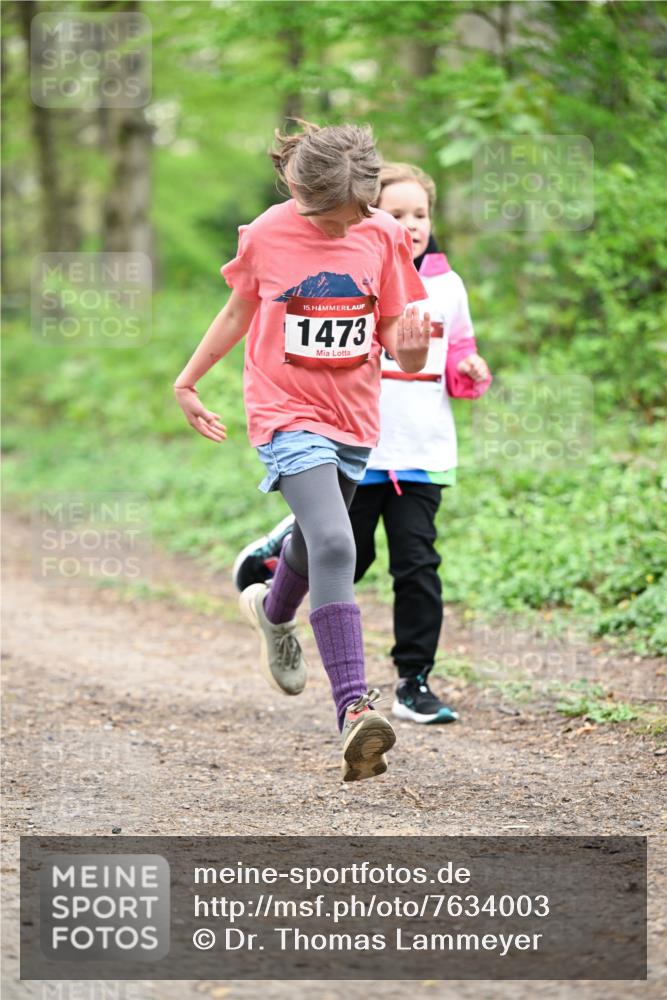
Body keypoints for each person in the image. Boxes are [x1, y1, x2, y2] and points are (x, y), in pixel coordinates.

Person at [173, 123, 431, 781]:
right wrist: (188, 377)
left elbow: (400, 349)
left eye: (357, 215)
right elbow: (237, 311)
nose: (347, 229)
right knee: (337, 542)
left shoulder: (382, 236)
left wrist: (416, 343)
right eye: (334, 219)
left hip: (354, 418)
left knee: (313, 546)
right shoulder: (265, 235)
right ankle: (353, 710)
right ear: (299, 191)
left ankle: (271, 608)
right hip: (285, 415)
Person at [232, 161, 492, 725]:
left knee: (417, 565)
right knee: (346, 552)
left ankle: (413, 680)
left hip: (421, 454)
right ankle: (280, 592)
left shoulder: (448, 287)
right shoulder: (356, 256)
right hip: (358, 442)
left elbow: (455, 360)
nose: (411, 224)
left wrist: (469, 370)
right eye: (397, 213)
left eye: (420, 214)